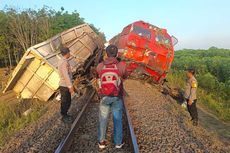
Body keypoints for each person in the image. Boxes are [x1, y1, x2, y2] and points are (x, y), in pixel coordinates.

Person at [96, 44, 128, 149]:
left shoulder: (100, 66)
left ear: (106, 53)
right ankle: (118, 143)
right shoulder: (122, 65)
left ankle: (101, 142)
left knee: (103, 119)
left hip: (104, 96)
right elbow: (125, 76)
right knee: (117, 119)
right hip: (117, 96)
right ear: (117, 53)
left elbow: (98, 76)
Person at [58, 47, 75, 124]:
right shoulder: (64, 63)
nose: (70, 53)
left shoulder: (62, 61)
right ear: (67, 53)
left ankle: (65, 114)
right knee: (65, 101)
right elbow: (66, 75)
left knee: (67, 101)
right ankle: (64, 116)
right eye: (69, 52)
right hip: (65, 85)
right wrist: (70, 86)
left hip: (65, 85)